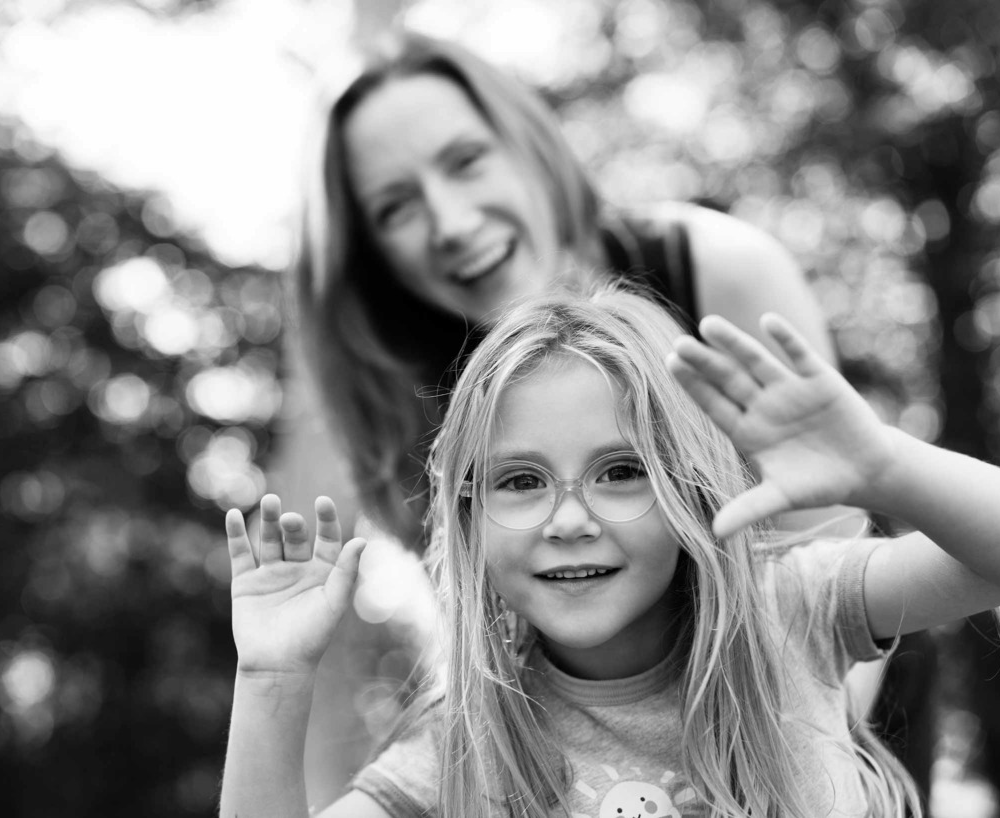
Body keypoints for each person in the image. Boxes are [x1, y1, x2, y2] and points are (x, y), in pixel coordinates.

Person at [221, 288, 1000, 818]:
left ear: (692, 488)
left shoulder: (792, 608)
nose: (569, 519)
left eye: (621, 471)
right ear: (468, 520)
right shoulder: (464, 754)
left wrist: (884, 467)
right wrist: (272, 678)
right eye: (522, 481)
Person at [295, 31, 842, 550]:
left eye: (466, 161)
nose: (452, 223)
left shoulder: (721, 272)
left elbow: (838, 578)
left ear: (527, 146)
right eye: (395, 207)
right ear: (369, 256)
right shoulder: (402, 395)